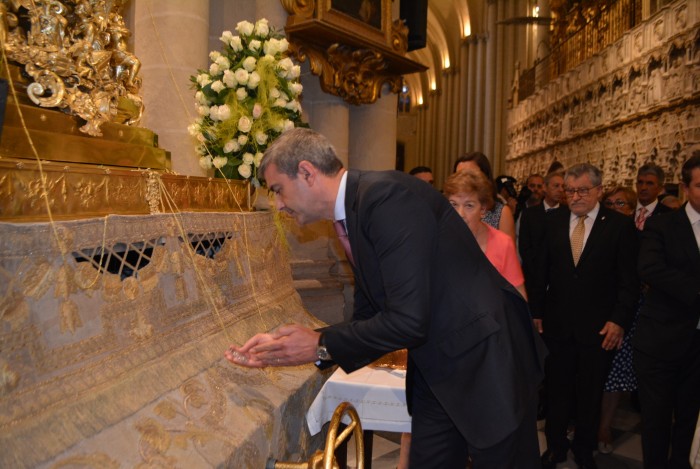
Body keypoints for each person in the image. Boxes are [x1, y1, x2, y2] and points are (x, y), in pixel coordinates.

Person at [226, 128, 546, 468]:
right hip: (437, 368)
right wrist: (297, 349)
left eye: (278, 190)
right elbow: (370, 315)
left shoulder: (386, 198)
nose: (278, 204)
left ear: (306, 172)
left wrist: (320, 343)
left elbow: (409, 320)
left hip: (486, 360)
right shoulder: (354, 211)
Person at [530, 163, 639, 469]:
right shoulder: (552, 223)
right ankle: (555, 447)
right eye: (570, 190)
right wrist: (536, 312)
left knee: (590, 394)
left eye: (582, 190)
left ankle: (583, 449)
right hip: (557, 324)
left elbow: (628, 282)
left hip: (599, 327)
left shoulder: (618, 226)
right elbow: (539, 273)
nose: (575, 197)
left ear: (598, 191)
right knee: (557, 390)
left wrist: (618, 320)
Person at [633, 153, 700, 469]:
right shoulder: (663, 224)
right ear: (686, 188)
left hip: (697, 346)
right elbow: (649, 268)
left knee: (690, 419)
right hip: (661, 342)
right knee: (656, 422)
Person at [597, 186, 639, 454]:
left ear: (632, 209)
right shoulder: (596, 234)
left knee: (614, 375)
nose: (614, 208)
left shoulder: (638, 237)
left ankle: (604, 426)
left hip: (624, 313)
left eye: (620, 203)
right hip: (596, 310)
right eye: (609, 203)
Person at [444, 168, 527, 299]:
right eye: (453, 204)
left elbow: (518, 297)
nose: (460, 214)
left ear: (482, 210)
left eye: (469, 205)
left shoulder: (502, 244)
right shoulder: (437, 239)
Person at [454, 152, 516, 241]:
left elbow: (507, 252)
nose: (464, 180)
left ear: (485, 177)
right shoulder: (449, 208)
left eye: (471, 175)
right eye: (459, 175)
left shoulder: (500, 212)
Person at [635, 163, 672, 230]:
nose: (643, 188)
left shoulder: (668, 215)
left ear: (660, 188)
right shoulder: (627, 209)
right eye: (640, 182)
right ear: (636, 185)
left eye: (649, 183)